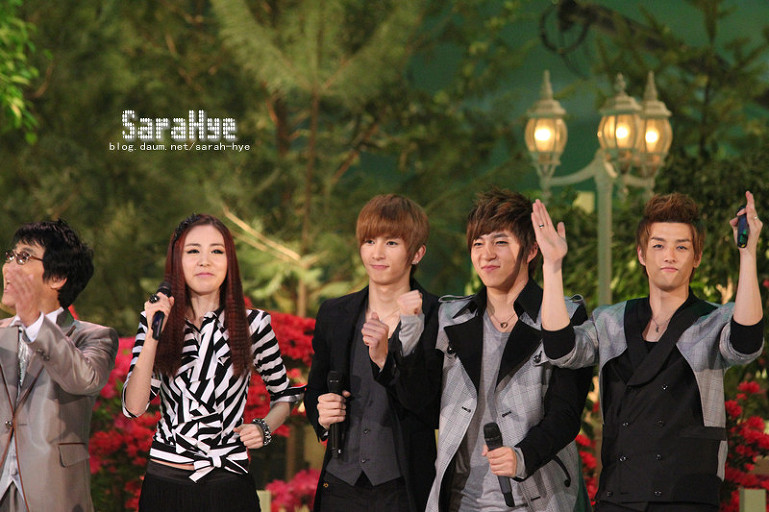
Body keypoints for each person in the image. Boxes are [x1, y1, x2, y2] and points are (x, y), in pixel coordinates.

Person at [534, 191, 765, 511]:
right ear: (641, 254)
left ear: (697, 257)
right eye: (658, 245)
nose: (669, 256)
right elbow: (562, 351)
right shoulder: (610, 320)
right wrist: (552, 266)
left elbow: (746, 344)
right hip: (619, 495)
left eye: (681, 247)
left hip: (689, 495)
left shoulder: (714, 320)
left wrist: (748, 254)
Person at [425, 188, 593, 512]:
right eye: (478, 243)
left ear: (531, 250)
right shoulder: (450, 318)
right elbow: (423, 399)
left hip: (537, 499)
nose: (486, 254)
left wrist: (522, 456)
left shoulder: (565, 316)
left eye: (500, 242)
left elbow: (566, 413)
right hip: (461, 501)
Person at [122, 214, 304, 512]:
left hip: (229, 481)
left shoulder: (254, 325)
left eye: (216, 251)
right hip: (165, 481)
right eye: (193, 251)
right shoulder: (157, 321)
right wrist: (154, 333)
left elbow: (284, 395)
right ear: (177, 262)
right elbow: (134, 407)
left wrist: (264, 428)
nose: (204, 261)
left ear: (229, 261)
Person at [304, 194, 440, 512]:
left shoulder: (438, 315)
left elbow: (432, 407)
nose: (377, 253)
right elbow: (315, 390)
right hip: (339, 484)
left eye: (391, 242)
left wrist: (384, 360)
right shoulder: (335, 313)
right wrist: (321, 413)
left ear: (417, 253)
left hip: (403, 488)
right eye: (369, 241)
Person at [0, 219, 119, 512]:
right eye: (10, 256)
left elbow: (85, 378)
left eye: (24, 258)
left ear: (57, 277)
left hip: (54, 495)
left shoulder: (94, 337)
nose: (9, 268)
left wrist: (34, 322)